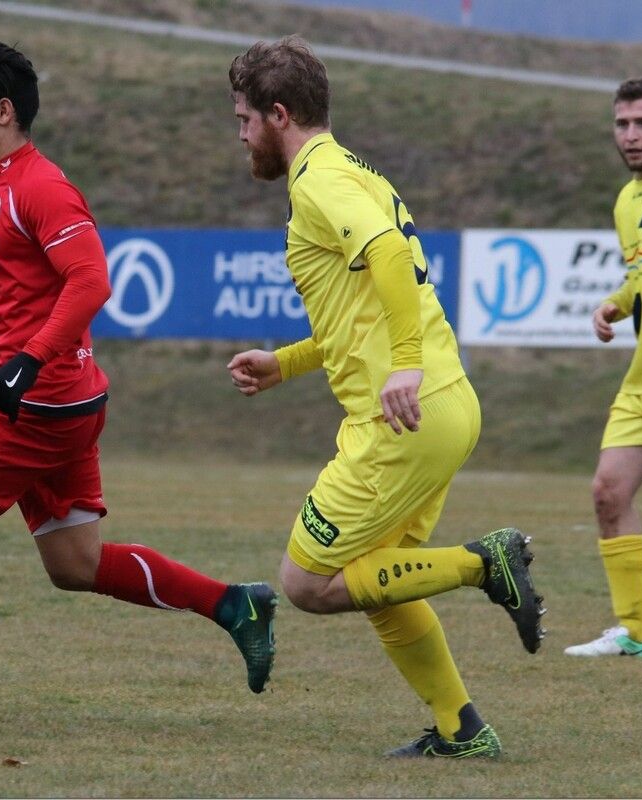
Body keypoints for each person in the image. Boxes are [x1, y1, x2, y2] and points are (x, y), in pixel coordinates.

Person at [0, 41, 276, 728]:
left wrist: (26, 363)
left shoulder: (40, 186)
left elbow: (92, 279)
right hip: (62, 399)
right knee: (75, 564)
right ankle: (232, 603)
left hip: (37, 402)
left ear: (3, 112)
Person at [223, 36, 545, 758]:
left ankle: (482, 561)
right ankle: (463, 729)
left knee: (307, 582)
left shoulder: (317, 181)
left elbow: (392, 257)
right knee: (381, 583)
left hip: (402, 415)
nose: (240, 133)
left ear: (278, 115)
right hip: (443, 403)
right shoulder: (354, 171)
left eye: (244, 117)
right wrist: (288, 362)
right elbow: (359, 306)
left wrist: (402, 366)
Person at [565, 78, 642, 658]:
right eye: (622, 124)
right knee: (608, 491)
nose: (631, 135)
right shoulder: (628, 202)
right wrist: (616, 303)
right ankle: (636, 632)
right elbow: (639, 275)